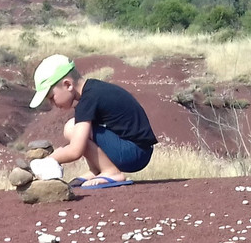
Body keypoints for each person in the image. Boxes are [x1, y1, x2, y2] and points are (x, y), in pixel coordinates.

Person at [29, 54, 157, 188]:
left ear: (67, 85)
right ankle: (97, 170)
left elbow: (75, 151)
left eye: (51, 97)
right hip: (137, 150)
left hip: (134, 153)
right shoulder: (93, 91)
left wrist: (49, 160)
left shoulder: (88, 100)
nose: (52, 103)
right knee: (78, 129)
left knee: (72, 128)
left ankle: (111, 172)